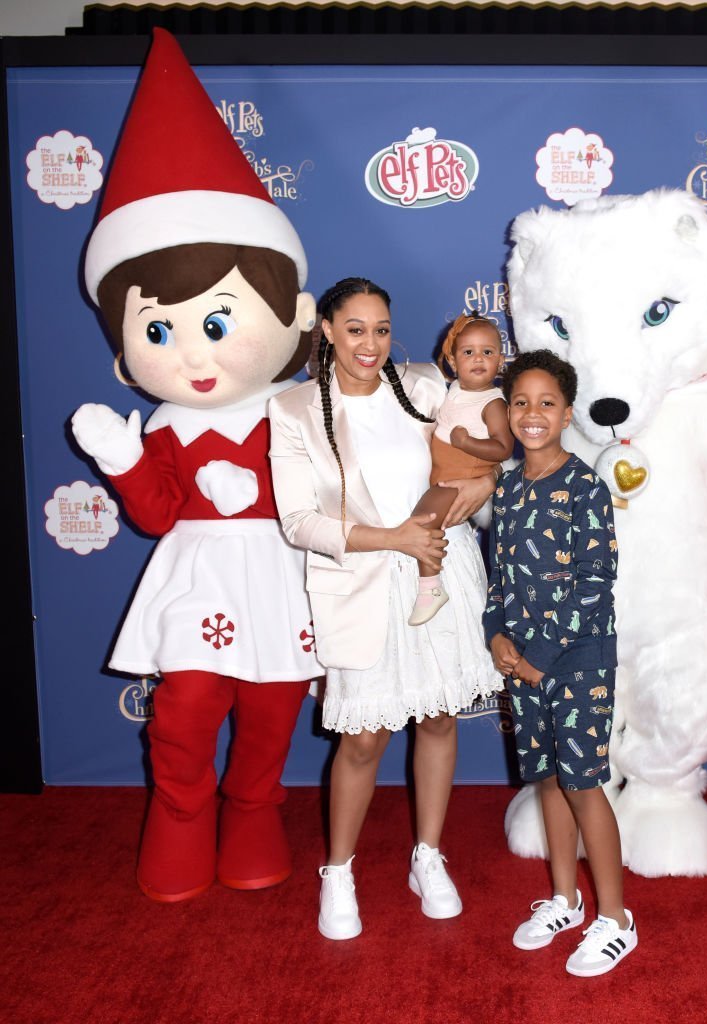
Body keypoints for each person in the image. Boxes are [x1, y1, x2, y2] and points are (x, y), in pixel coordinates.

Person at [70, 28, 321, 903]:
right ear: (124, 355)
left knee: (273, 706)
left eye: (217, 323)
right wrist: (127, 458)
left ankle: (252, 810)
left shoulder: (297, 409)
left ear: (293, 317)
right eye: (157, 330)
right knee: (184, 708)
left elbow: (330, 487)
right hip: (200, 578)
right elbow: (151, 514)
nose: (194, 355)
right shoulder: (169, 426)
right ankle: (180, 817)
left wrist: (270, 490)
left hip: (283, 573)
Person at [268, 277, 502, 941]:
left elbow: (476, 458)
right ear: (328, 331)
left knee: (437, 719)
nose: (369, 344)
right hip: (364, 579)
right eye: (354, 329)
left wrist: (480, 483)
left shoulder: (426, 385)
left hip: (442, 567)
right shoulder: (293, 409)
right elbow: (298, 520)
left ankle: (427, 855)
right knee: (364, 739)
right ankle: (337, 871)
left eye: (379, 329)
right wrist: (392, 537)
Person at [484, 349, 637, 978]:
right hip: (523, 664)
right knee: (546, 779)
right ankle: (565, 901)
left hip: (577, 663)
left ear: (568, 412)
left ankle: (618, 919)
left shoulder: (586, 488)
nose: (533, 413)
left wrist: (538, 659)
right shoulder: (509, 488)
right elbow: (502, 578)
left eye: (547, 402)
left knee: (581, 783)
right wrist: (497, 635)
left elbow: (595, 581)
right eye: (521, 402)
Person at [408, 313, 514, 626]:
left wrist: (468, 444)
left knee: (425, 520)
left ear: (500, 360)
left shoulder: (492, 403)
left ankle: (431, 587)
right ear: (453, 362)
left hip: (460, 480)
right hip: (441, 476)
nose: (478, 359)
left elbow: (503, 448)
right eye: (468, 352)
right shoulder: (454, 389)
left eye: (487, 352)